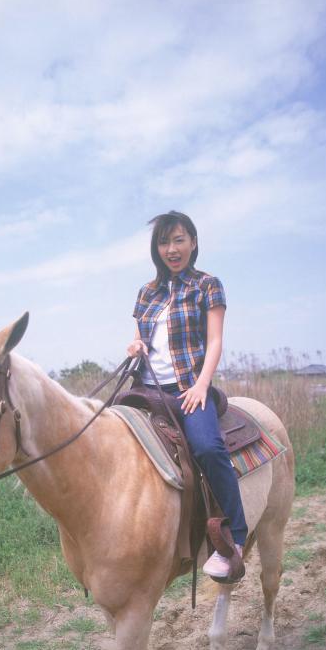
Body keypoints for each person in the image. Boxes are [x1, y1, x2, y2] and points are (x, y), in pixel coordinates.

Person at [127, 210, 247, 580]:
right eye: (164, 242)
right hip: (146, 388)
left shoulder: (207, 285)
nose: (171, 248)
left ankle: (234, 540)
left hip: (188, 389)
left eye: (179, 240)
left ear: (193, 243)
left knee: (208, 448)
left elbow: (214, 341)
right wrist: (134, 345)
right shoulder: (146, 292)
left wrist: (200, 385)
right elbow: (139, 335)